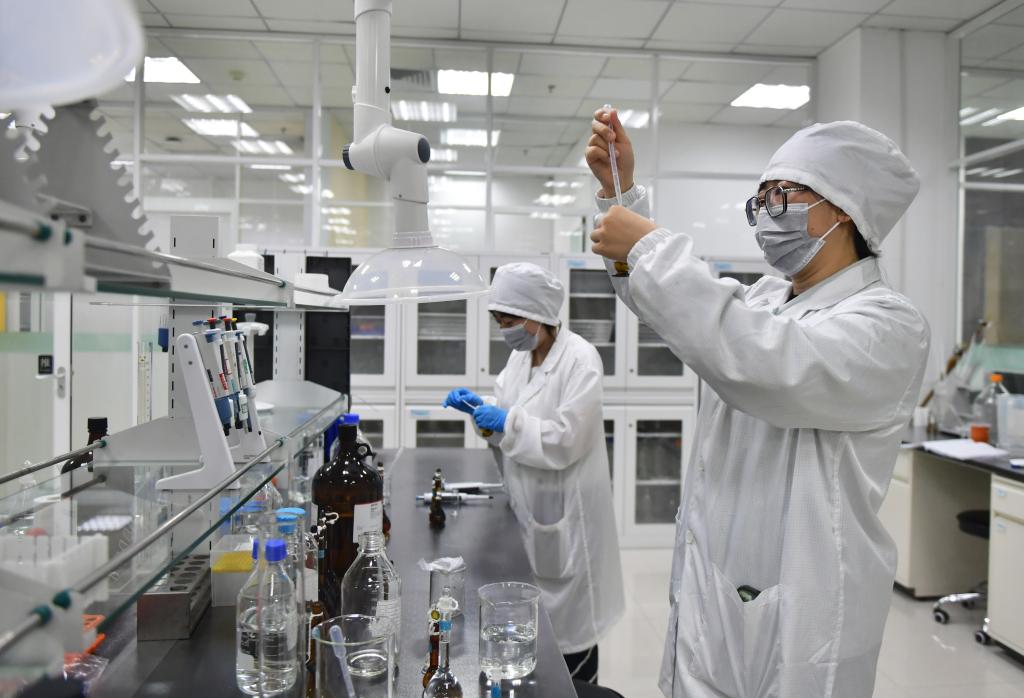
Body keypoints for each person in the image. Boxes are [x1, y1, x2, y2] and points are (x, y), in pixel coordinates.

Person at [585, 115, 930, 698]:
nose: (767, 213)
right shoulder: (769, 299)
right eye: (761, 199)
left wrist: (648, 243)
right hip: (719, 586)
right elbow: (677, 309)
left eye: (782, 195)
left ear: (845, 208)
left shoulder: (887, 325)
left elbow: (765, 362)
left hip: (804, 608)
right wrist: (620, 194)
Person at [443, 262, 625, 684]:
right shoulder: (519, 359)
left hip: (567, 517)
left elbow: (566, 439)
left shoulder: (580, 359)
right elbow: (509, 415)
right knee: (538, 639)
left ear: (538, 314)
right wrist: (482, 412)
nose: (504, 329)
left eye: (510, 320)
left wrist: (506, 422)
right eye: (499, 320)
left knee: (573, 640)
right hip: (529, 507)